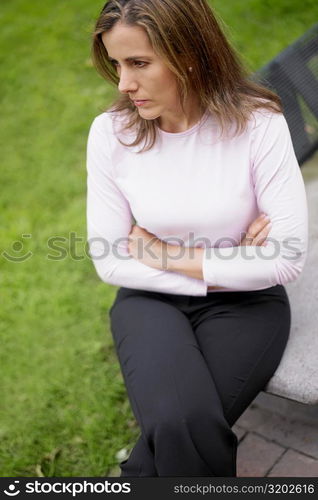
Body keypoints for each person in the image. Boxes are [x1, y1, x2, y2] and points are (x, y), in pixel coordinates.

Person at [86, 0, 308, 477]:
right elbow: (109, 260)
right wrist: (230, 264)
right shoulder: (112, 134)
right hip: (150, 301)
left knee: (176, 431)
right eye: (117, 64)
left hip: (248, 306)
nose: (123, 83)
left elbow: (286, 260)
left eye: (139, 63)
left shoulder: (259, 124)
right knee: (177, 421)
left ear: (188, 53)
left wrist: (163, 254)